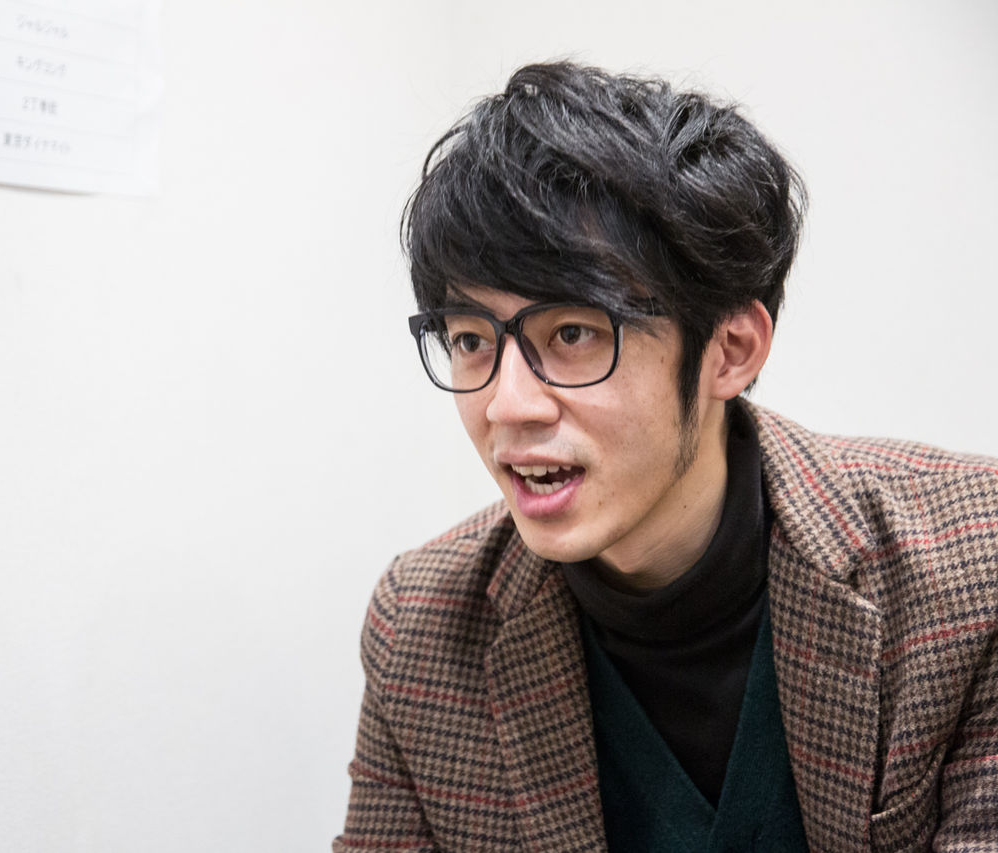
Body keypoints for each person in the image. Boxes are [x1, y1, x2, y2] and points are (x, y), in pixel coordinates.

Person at [334, 60, 998, 851]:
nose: (507, 404)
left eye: (572, 334)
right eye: (472, 339)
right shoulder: (421, 630)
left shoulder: (970, 572)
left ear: (731, 349)